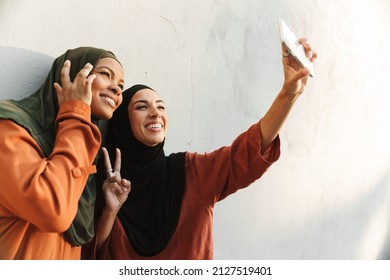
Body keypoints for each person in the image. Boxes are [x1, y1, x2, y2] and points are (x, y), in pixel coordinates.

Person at [84, 39, 317, 259]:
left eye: (161, 107)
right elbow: (93, 259)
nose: (156, 113)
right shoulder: (108, 186)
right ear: (123, 123)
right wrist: (110, 212)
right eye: (142, 107)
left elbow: (246, 153)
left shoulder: (190, 172)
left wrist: (289, 94)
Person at [0, 46, 125, 259]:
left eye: (121, 85)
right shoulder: (10, 126)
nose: (117, 89)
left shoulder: (82, 143)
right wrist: (76, 112)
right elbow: (53, 212)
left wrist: (109, 212)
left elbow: (74, 242)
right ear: (72, 73)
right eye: (106, 74)